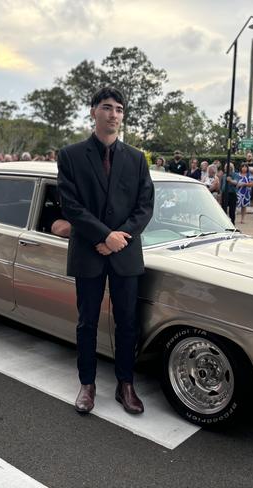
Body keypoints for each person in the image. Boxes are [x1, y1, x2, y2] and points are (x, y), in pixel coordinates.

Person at [57, 87, 154, 415]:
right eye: (107, 108)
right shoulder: (70, 156)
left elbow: (145, 207)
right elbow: (71, 206)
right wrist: (102, 236)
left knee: (127, 322)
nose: (114, 114)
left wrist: (118, 237)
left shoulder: (137, 159)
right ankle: (87, 383)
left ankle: (125, 384)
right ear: (93, 111)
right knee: (87, 321)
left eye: (119, 110)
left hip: (125, 252)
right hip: (88, 250)